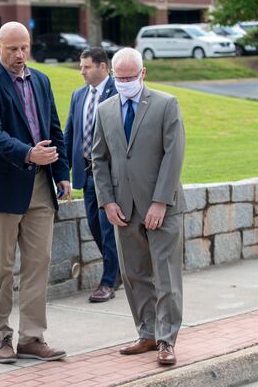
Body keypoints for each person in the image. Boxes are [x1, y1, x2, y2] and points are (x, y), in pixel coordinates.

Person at [0, 21, 71, 364]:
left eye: (24, 47)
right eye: (12, 48)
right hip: (3, 190)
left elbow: (54, 128)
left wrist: (62, 173)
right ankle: (1, 338)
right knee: (2, 268)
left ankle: (32, 337)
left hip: (42, 186)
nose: (19, 54)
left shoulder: (41, 80)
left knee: (38, 264)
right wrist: (28, 153)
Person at [91, 47, 186, 366]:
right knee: (134, 275)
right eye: (119, 78)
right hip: (123, 209)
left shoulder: (165, 104)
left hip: (163, 207)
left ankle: (166, 340)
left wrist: (160, 201)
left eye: (130, 77)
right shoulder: (104, 110)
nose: (125, 82)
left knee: (166, 277)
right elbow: (99, 159)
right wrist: (106, 201)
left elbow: (174, 156)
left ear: (142, 74)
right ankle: (146, 333)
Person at [63, 47, 122, 303]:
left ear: (102, 67)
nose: (82, 71)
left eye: (86, 66)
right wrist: (61, 172)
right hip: (86, 173)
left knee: (108, 228)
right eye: (81, 66)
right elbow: (70, 134)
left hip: (110, 174)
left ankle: (108, 281)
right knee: (95, 225)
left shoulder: (118, 92)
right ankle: (118, 271)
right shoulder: (79, 96)